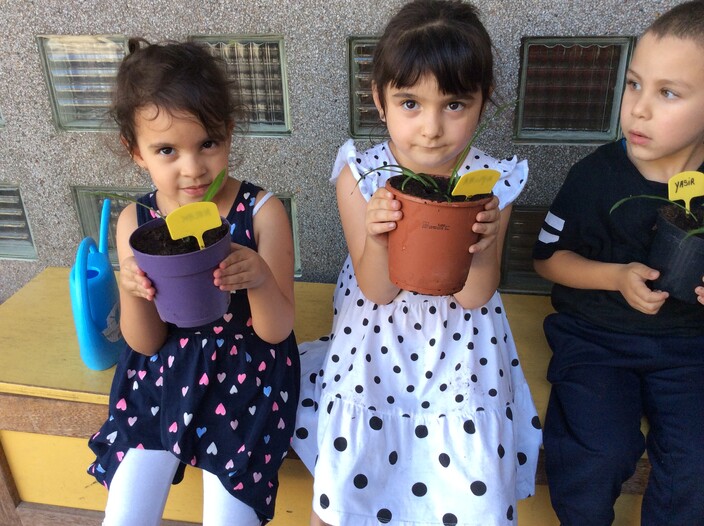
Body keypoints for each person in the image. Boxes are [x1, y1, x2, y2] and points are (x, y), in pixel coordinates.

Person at [291, 1, 542, 524]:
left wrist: (483, 239)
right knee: (355, 470)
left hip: (462, 345)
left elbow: (476, 295)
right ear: (379, 100)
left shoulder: (491, 182)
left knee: (466, 477)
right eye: (410, 102)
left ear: (483, 103)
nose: (431, 127)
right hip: (375, 346)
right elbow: (376, 288)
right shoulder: (360, 175)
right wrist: (379, 235)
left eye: (454, 104)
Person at [87, 38, 299, 526]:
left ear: (228, 132)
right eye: (167, 150)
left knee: (231, 515)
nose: (193, 167)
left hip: (247, 374)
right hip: (160, 376)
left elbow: (276, 330)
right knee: (125, 515)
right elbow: (144, 341)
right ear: (135, 151)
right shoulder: (136, 221)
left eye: (208, 143)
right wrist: (131, 287)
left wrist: (260, 279)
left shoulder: (261, 212)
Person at [533, 2, 704, 524]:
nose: (638, 109)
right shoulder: (595, 177)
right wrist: (614, 276)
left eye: (668, 93)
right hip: (597, 340)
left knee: (696, 458)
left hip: (690, 348)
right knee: (596, 450)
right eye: (634, 84)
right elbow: (546, 259)